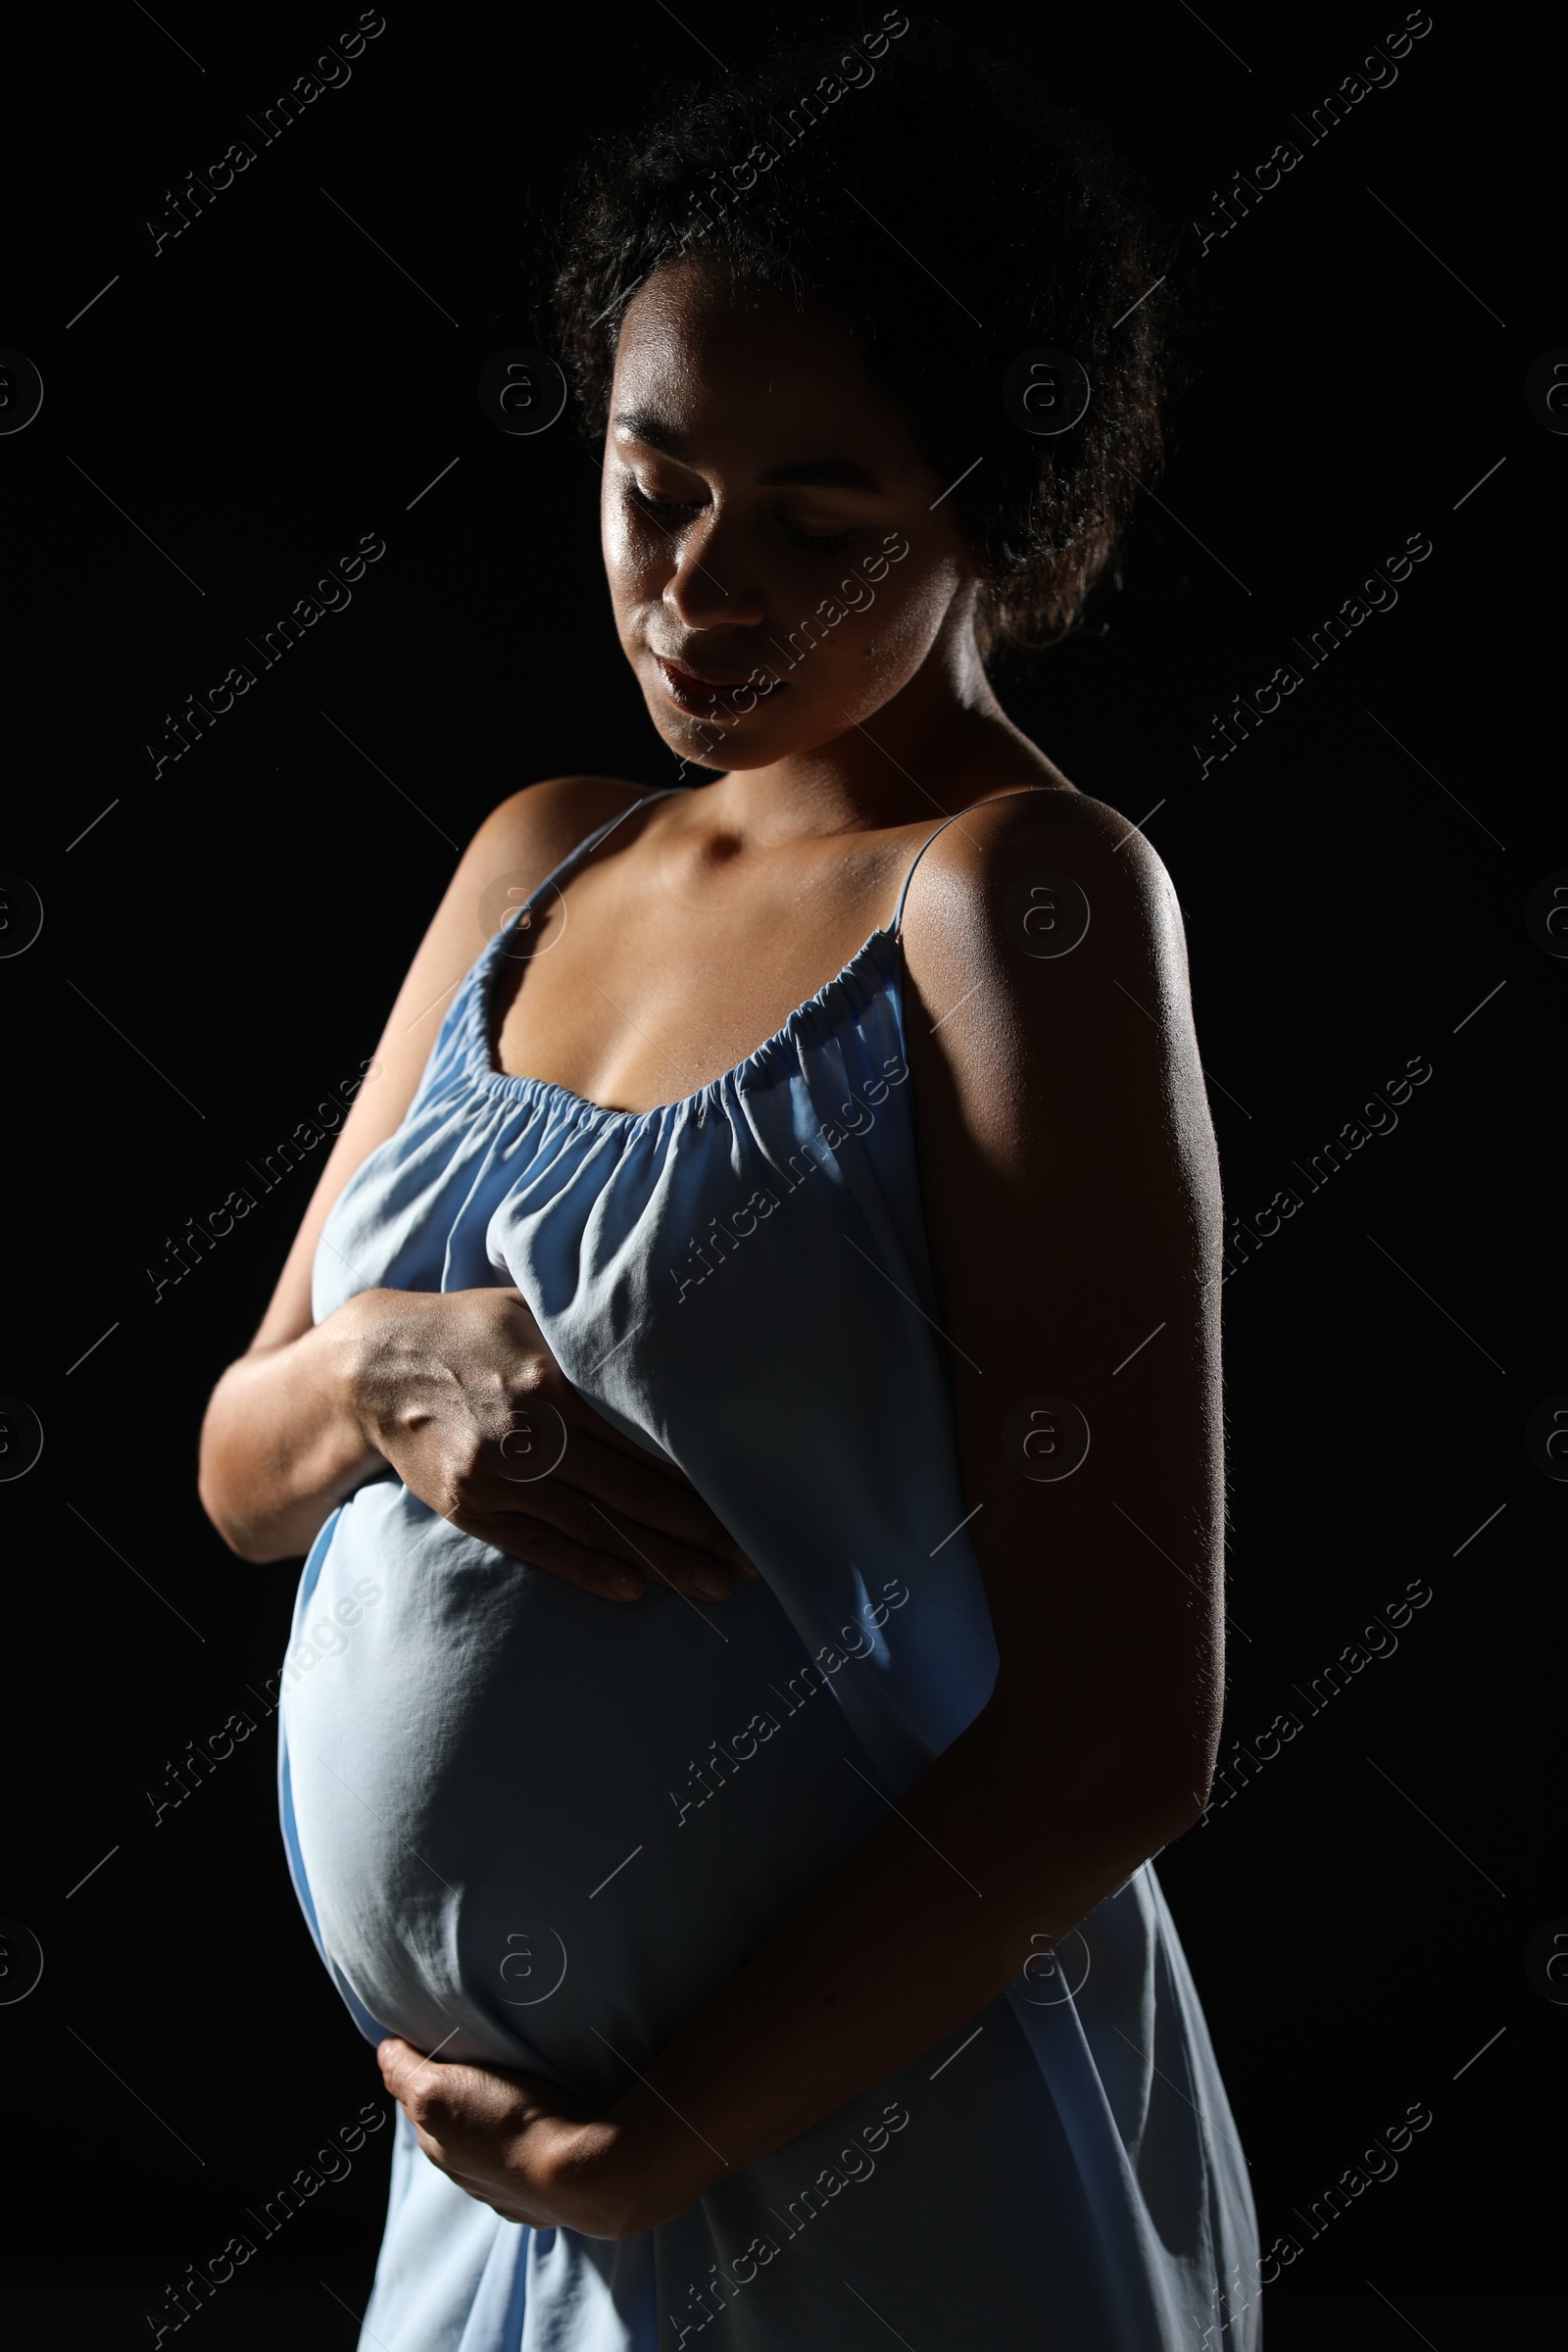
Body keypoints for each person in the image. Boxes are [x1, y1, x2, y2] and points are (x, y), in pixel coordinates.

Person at [199, 23, 1258, 2349]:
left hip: (870, 2159)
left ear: (994, 505)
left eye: (817, 519)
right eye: (649, 482)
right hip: (503, 2193)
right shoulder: (537, 859)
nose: (696, 589)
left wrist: (664, 2143)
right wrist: (380, 1374)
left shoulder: (1019, 905)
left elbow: (1120, 1722)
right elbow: (238, 1467)